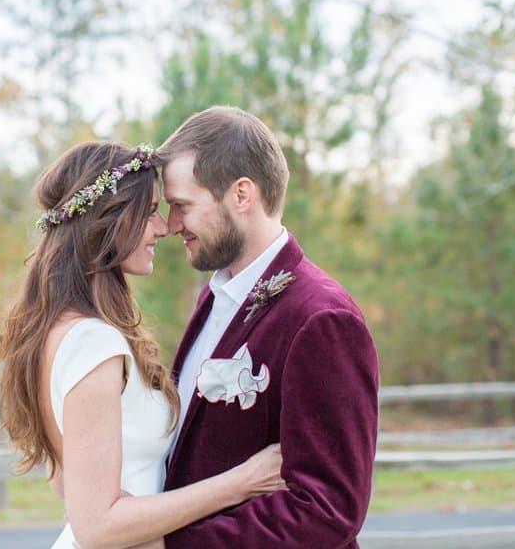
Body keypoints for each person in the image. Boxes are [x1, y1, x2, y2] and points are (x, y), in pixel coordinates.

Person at [0, 141, 286, 549]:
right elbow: (96, 527)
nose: (164, 227)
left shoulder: (59, 328)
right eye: (149, 212)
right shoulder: (93, 342)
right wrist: (241, 483)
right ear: (107, 219)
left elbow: (66, 484)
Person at [158, 106, 380, 548]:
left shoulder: (322, 319)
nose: (171, 226)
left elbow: (326, 509)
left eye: (182, 206)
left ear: (242, 195)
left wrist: (173, 546)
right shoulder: (213, 295)